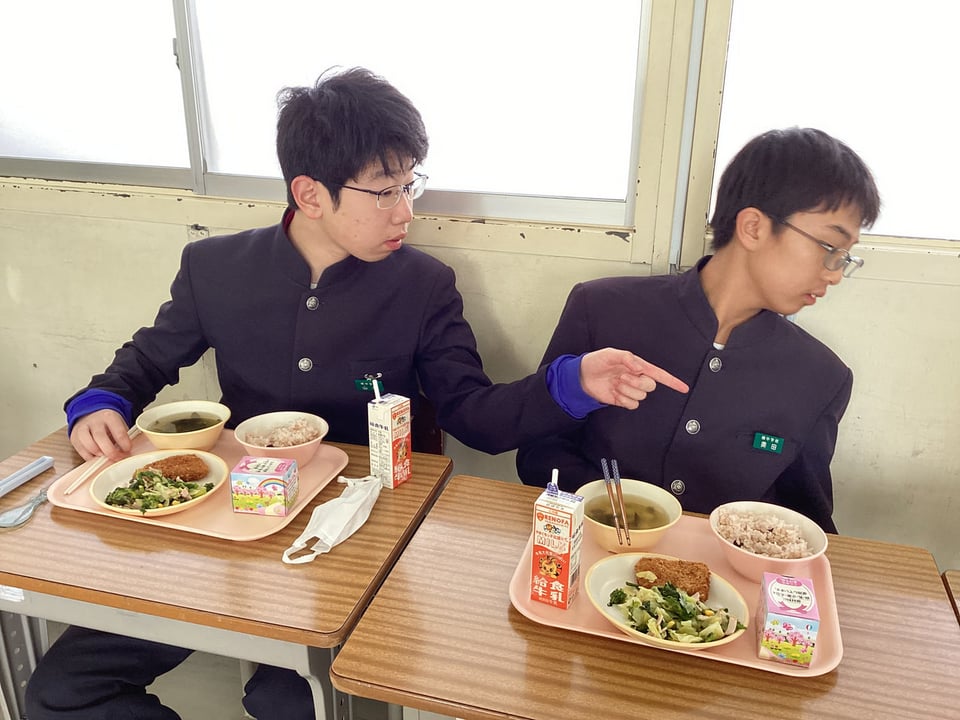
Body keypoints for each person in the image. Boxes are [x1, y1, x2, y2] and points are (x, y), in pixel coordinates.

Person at [25, 67, 685, 720]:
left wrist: (573, 382)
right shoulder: (216, 268)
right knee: (61, 692)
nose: (406, 212)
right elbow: (144, 362)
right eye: (384, 191)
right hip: (230, 518)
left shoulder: (422, 285)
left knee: (288, 702)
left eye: (409, 185)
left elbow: (474, 416)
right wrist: (100, 405)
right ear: (310, 194)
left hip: (361, 533)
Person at [516, 127, 881, 534]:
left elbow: (806, 522)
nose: (835, 274)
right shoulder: (603, 308)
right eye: (830, 248)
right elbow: (539, 454)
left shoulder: (821, 376)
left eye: (846, 257)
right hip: (593, 552)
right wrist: (618, 520)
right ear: (753, 227)